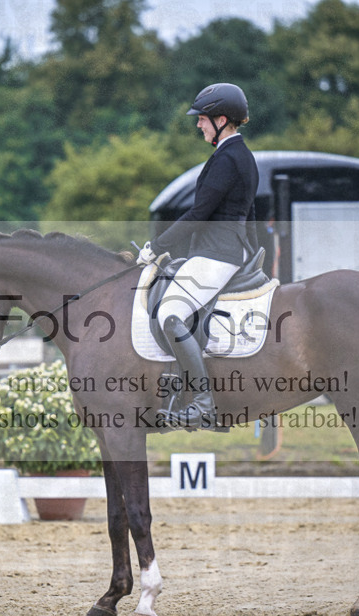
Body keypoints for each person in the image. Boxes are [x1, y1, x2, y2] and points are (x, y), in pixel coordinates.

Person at [136, 82, 259, 430]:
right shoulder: (237, 156)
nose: (198, 125)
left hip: (216, 254)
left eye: (202, 119)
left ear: (222, 119)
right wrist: (252, 251)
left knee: (171, 313)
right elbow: (248, 215)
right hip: (221, 251)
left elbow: (199, 214)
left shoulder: (228, 158)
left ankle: (203, 403)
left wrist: (157, 246)